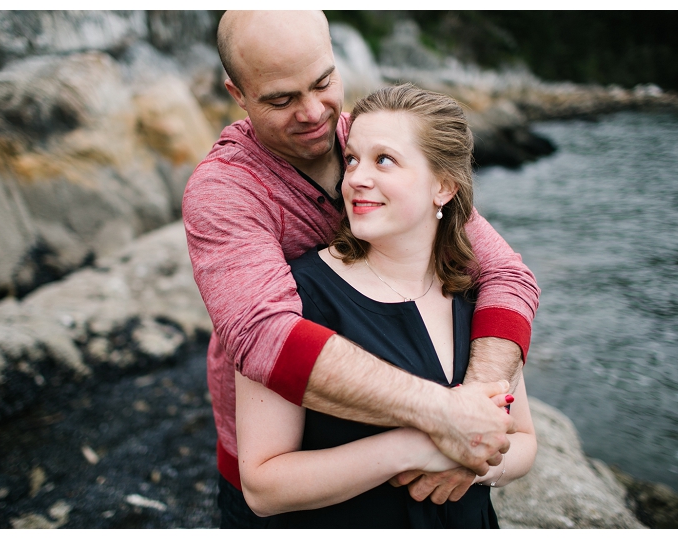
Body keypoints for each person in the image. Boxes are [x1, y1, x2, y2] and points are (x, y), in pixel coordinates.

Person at [182, 11, 540, 527]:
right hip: (293, 468)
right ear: (238, 94)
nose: (312, 113)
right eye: (281, 99)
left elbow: (507, 274)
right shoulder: (225, 191)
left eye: (324, 82)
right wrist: (439, 418)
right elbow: (265, 335)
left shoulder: (372, 139)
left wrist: (476, 413)